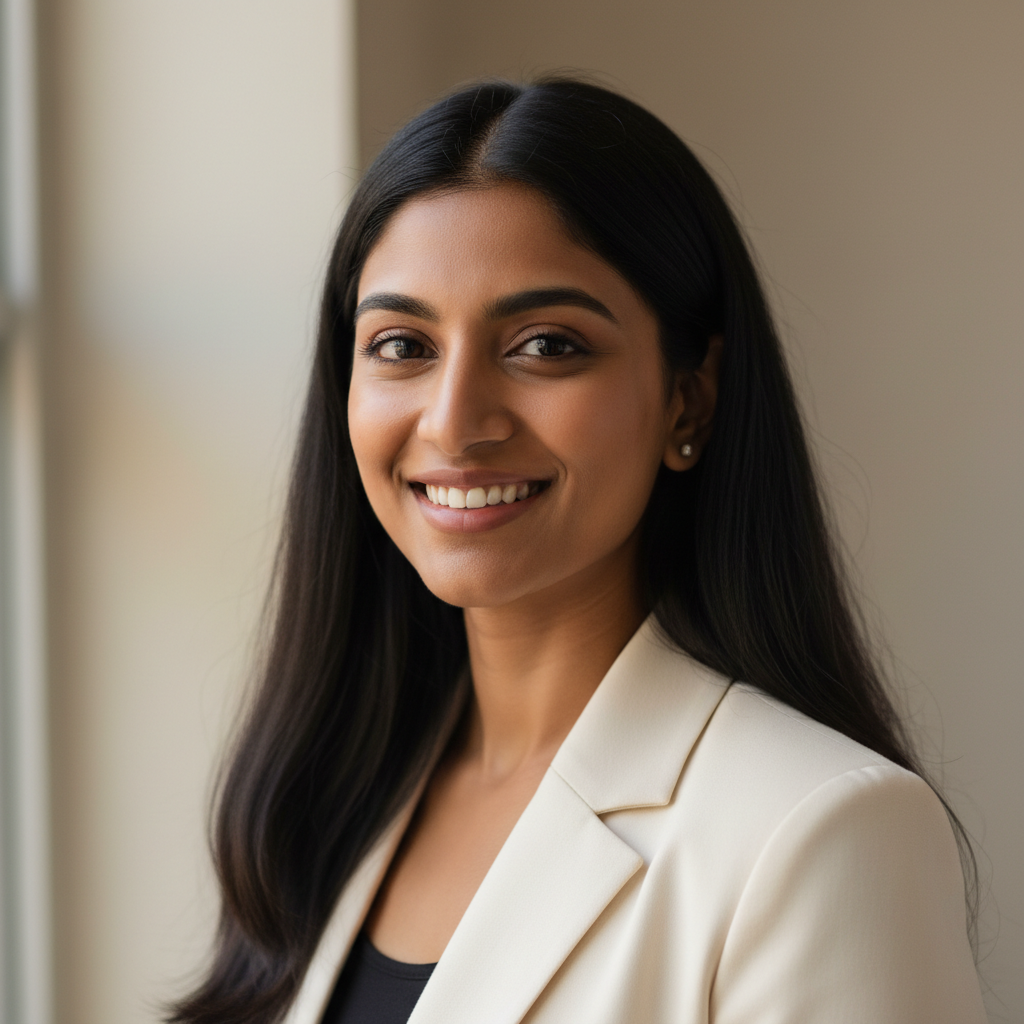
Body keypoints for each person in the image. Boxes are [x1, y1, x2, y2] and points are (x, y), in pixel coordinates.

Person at [169, 78, 986, 1024]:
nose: (455, 421)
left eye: (547, 344)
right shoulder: (332, 797)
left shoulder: (820, 833)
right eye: (401, 345)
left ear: (691, 399)